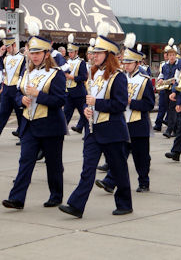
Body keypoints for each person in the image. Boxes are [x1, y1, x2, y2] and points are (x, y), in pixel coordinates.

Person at [59, 22, 132, 218]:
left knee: (118, 169)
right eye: (94, 53)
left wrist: (96, 104)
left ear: (108, 55)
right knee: (87, 169)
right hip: (93, 130)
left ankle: (125, 203)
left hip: (113, 130)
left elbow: (119, 105)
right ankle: (76, 205)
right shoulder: (94, 74)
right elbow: (88, 101)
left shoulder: (118, 77)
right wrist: (86, 110)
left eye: (99, 53)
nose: (94, 56)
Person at [2, 21, 66, 210]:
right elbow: (16, 93)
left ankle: (56, 195)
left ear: (46, 54)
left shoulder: (56, 74)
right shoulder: (26, 72)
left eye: (38, 53)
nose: (35, 56)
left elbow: (60, 100)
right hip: (29, 123)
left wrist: (40, 95)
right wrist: (21, 99)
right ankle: (17, 198)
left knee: (53, 164)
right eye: (33, 53)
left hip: (51, 125)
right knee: (25, 160)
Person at [96, 34, 154, 194]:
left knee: (141, 157)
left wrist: (131, 102)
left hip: (138, 124)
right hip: (123, 123)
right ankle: (110, 182)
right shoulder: (120, 77)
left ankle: (144, 182)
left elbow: (149, 104)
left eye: (129, 63)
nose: (126, 65)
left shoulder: (144, 80)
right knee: (119, 156)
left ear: (137, 63)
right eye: (124, 62)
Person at [0, 29, 25, 147]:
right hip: (6, 89)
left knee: (20, 116)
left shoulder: (22, 58)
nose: (7, 49)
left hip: (16, 90)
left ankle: (23, 138)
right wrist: (0, 55)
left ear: (14, 45)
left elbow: (23, 73)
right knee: (2, 116)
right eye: (5, 47)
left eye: (9, 47)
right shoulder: (5, 58)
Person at [63, 33, 88, 133]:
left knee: (84, 112)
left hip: (79, 92)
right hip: (68, 91)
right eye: (69, 52)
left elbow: (84, 77)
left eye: (72, 52)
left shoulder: (81, 62)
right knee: (66, 112)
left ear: (76, 52)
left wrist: (71, 77)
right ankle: (62, 130)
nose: (70, 54)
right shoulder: (66, 62)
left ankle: (82, 128)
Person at [157, 39, 178, 138]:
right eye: (170, 55)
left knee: (172, 110)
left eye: (173, 55)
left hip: (174, 90)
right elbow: (161, 75)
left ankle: (169, 130)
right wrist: (160, 80)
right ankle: (175, 129)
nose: (172, 57)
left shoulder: (178, 65)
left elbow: (180, 76)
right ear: (167, 56)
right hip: (165, 89)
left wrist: (176, 81)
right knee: (168, 109)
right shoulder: (164, 66)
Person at [153, 50, 169, 132]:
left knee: (170, 109)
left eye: (167, 54)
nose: (166, 55)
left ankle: (168, 122)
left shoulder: (177, 63)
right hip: (164, 87)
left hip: (171, 88)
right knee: (161, 107)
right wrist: (160, 79)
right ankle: (158, 124)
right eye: (165, 54)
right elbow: (161, 75)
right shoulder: (163, 64)